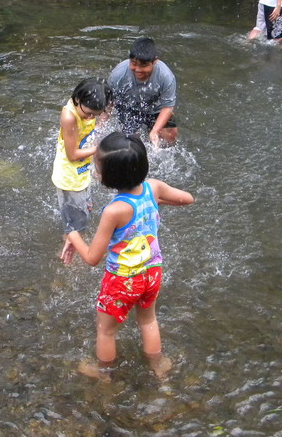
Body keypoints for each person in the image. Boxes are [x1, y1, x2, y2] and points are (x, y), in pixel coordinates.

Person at [60, 132, 194, 380]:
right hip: (152, 272)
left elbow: (92, 258)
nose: (96, 170)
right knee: (148, 321)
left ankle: (104, 373)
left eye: (97, 167)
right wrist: (154, 203)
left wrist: (73, 235)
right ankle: (159, 365)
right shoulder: (154, 187)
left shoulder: (114, 211)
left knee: (106, 330)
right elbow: (188, 199)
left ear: (108, 177)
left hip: (122, 280)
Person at [51, 77, 112, 246]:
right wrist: (100, 149)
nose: (90, 118)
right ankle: (68, 253)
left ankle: (74, 244)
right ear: (78, 99)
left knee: (83, 214)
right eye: (89, 113)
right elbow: (72, 155)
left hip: (81, 171)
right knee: (74, 227)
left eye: (95, 115)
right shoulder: (69, 117)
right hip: (69, 177)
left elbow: (95, 131)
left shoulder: (87, 108)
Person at [108, 37, 178, 147]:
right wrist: (100, 126)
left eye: (143, 65)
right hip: (128, 107)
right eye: (134, 63)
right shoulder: (119, 74)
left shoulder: (165, 76)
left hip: (154, 108)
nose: (138, 69)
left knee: (170, 135)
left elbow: (168, 107)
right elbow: (109, 102)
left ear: (155, 61)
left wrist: (154, 131)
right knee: (130, 143)